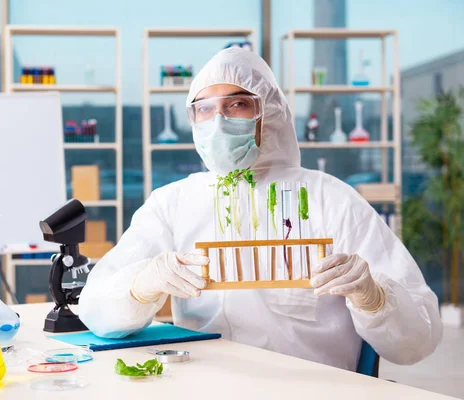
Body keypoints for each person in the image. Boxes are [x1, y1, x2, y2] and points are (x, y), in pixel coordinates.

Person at [78, 47, 442, 371]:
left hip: (308, 388)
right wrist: (143, 284)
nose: (218, 121)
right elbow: (97, 312)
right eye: (205, 108)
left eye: (236, 104)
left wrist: (374, 297)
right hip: (201, 385)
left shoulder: (330, 199)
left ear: (268, 111)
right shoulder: (172, 203)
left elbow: (417, 342)